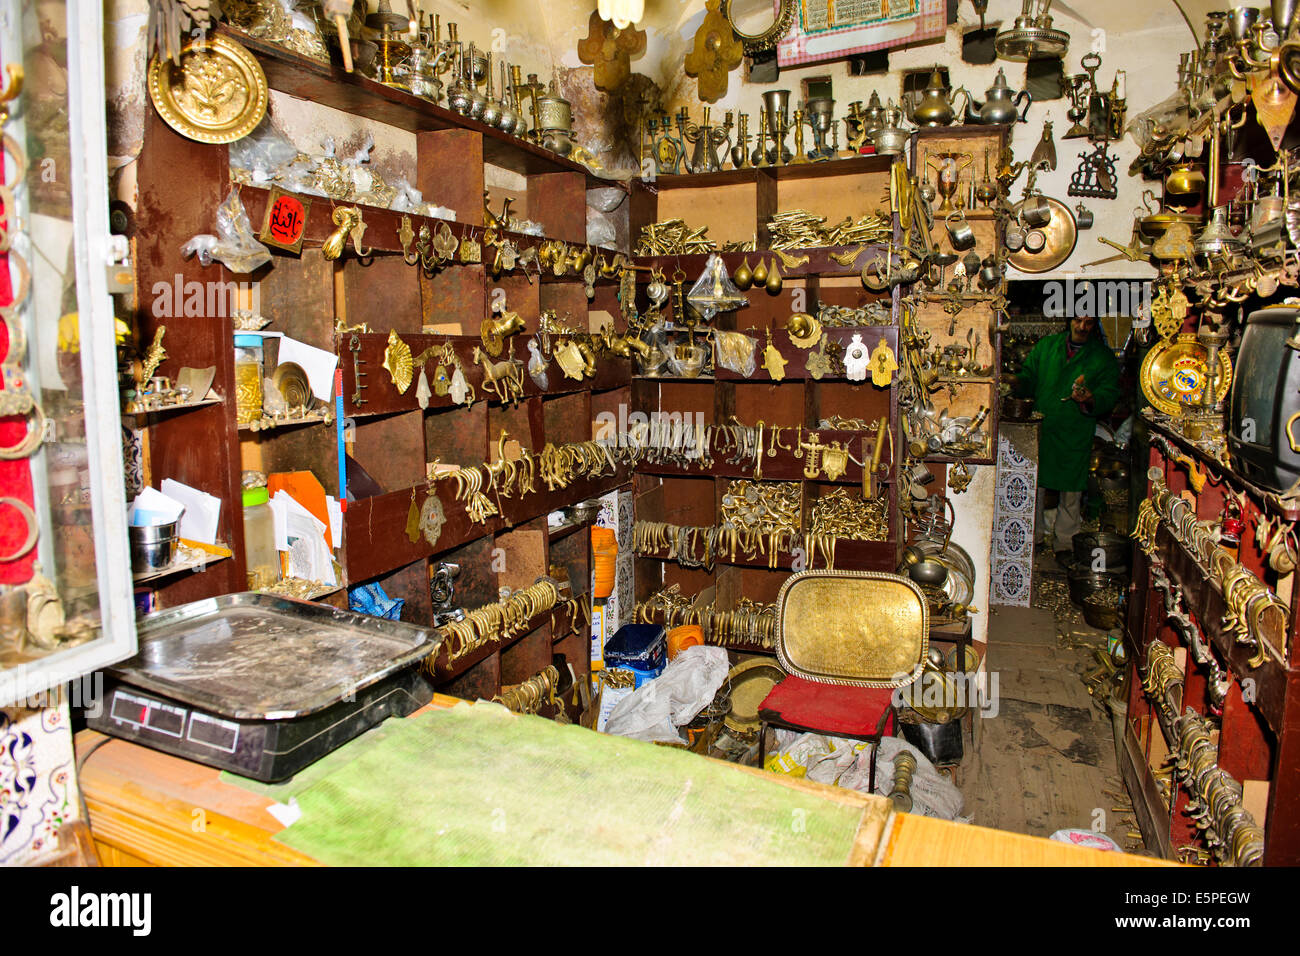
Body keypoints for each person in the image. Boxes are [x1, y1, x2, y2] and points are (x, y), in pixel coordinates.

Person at [1012, 314, 1120, 567]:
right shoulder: (1047, 347)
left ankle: (1065, 542)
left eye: (1089, 323)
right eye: (1077, 321)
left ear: (1095, 326)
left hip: (1075, 430)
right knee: (1035, 486)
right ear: (1069, 321)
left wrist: (1091, 398)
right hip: (1043, 428)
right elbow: (1029, 378)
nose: (1082, 327)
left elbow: (1110, 391)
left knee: (1071, 492)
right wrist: (1015, 381)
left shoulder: (1101, 356)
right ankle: (1034, 538)